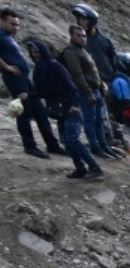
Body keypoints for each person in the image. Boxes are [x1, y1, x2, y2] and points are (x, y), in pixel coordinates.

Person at [26, 38, 99, 178]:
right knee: (66, 142)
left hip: (70, 107)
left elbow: (70, 85)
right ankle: (80, 168)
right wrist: (27, 96)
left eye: (36, 51)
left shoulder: (54, 65)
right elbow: (41, 92)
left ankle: (94, 168)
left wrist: (74, 104)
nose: (35, 54)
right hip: (58, 110)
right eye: (32, 52)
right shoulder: (39, 69)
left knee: (72, 140)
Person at [2, 9, 60, 159]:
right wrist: (7, 67)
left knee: (40, 111)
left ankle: (52, 144)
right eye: (12, 23)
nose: (16, 27)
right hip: (15, 80)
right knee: (24, 112)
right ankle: (30, 146)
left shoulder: (8, 37)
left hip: (24, 78)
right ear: (2, 21)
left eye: (17, 24)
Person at [70, 4, 116, 153]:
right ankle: (98, 144)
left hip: (105, 81)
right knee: (94, 116)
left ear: (92, 21)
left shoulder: (105, 41)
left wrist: (110, 79)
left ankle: (107, 141)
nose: (80, 22)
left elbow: (112, 60)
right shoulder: (79, 41)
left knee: (104, 115)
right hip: (90, 84)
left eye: (83, 19)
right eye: (79, 19)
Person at [58, 24, 104, 159]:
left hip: (95, 89)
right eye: (79, 35)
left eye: (84, 36)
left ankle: (102, 146)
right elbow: (77, 74)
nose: (83, 38)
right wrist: (88, 92)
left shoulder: (83, 51)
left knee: (99, 120)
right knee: (90, 120)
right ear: (71, 36)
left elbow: (93, 71)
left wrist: (101, 85)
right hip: (85, 92)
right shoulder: (71, 52)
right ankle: (95, 147)